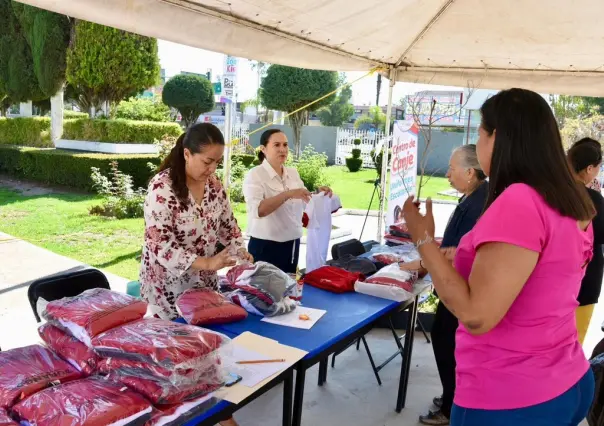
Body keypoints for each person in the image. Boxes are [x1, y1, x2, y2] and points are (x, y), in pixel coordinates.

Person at [402, 88, 595, 426]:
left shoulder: (520, 200)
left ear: (498, 137)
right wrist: (463, 255)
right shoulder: (569, 200)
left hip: (512, 395)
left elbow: (477, 315)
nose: (477, 144)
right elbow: (540, 273)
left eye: (479, 133)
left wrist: (422, 239)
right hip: (567, 379)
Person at [401, 145, 487, 425]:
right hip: (453, 285)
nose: (448, 174)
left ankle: (452, 405)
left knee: (446, 341)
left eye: (452, 169)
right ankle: (452, 395)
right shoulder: (473, 198)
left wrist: (426, 254)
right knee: (445, 340)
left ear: (470, 172)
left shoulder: (479, 204)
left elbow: (459, 252)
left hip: (460, 288)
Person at [140, 123, 252, 320]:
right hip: (167, 290)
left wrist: (241, 254)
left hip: (204, 286)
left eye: (217, 162)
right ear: (186, 154)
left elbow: (229, 227)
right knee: (176, 344)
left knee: (208, 341)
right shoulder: (162, 188)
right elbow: (160, 245)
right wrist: (208, 263)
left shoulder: (215, 186)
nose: (212, 168)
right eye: (207, 161)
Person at [243, 129, 332, 273]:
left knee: (289, 291)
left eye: (285, 145)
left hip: (292, 244)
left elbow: (303, 198)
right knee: (265, 292)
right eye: (276, 145)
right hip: (265, 246)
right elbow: (258, 210)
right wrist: (288, 194)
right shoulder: (255, 175)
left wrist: (318, 193)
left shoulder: (292, 172)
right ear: (263, 149)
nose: (282, 149)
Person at [568, 138, 604, 345]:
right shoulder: (591, 199)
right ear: (589, 168)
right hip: (583, 283)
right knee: (572, 346)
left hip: (550, 284)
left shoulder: (551, 193)